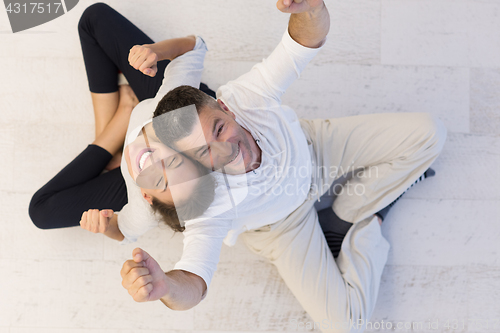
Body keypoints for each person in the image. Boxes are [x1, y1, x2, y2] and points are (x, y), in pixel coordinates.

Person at [119, 0, 447, 331]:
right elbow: (195, 279)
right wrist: (166, 287)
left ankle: (345, 213)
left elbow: (301, 43)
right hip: (283, 226)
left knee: (431, 134)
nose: (227, 149)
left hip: (315, 149)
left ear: (225, 108)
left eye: (219, 129)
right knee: (348, 326)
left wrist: (312, 9)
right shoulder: (211, 204)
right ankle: (367, 226)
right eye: (205, 152)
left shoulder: (246, 97)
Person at [28, 3, 217, 239]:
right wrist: (156, 51)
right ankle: (122, 124)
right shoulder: (177, 116)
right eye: (173, 162)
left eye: (159, 180)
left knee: (41, 213)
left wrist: (106, 226)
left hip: (144, 174)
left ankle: (122, 117)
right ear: (187, 152)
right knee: (93, 18)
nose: (154, 163)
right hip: (158, 113)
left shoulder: (144, 208)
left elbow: (123, 232)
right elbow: (194, 47)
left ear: (147, 198)